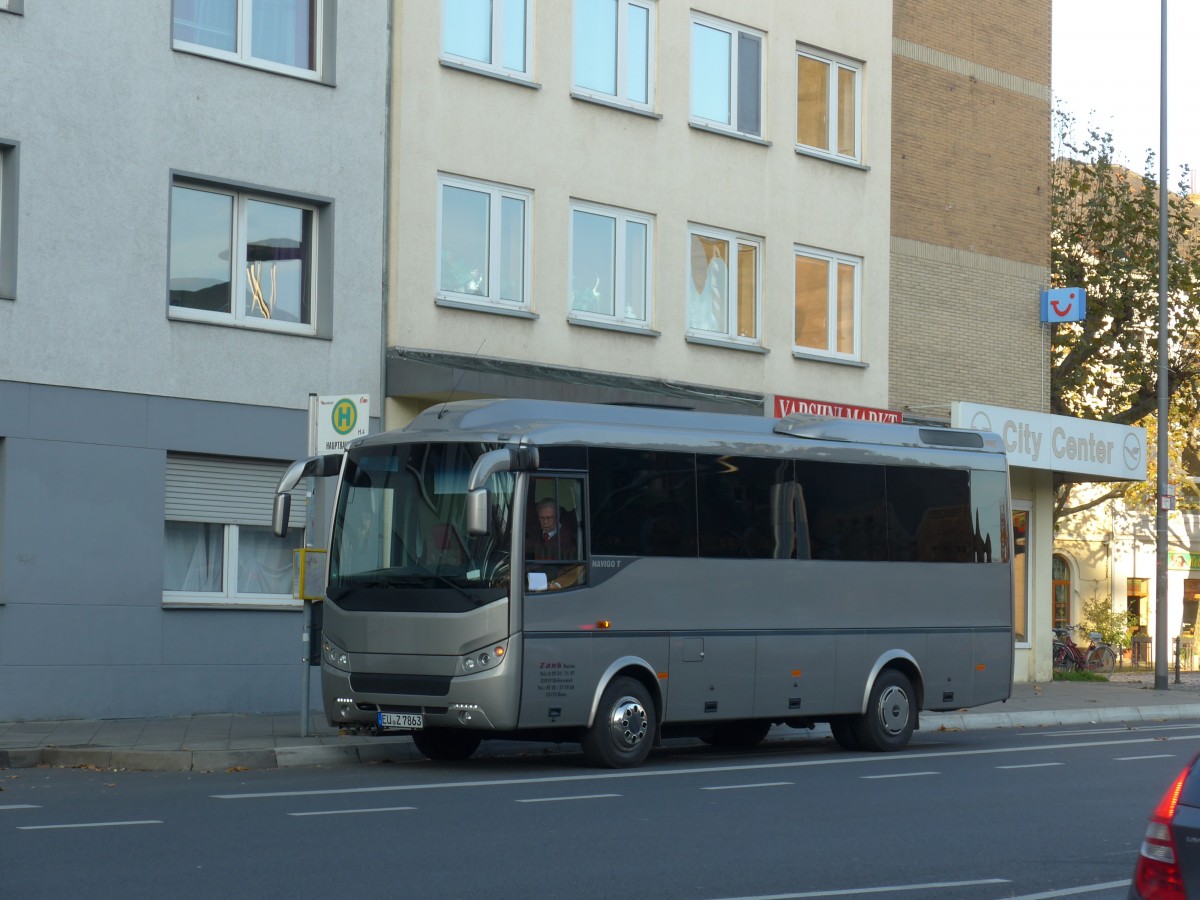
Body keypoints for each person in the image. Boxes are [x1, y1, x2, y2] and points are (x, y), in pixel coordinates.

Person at [528, 498, 582, 590]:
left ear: (557, 517)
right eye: (542, 518)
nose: (545, 522)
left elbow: (571, 569)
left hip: (555, 587)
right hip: (532, 584)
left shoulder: (567, 538)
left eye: (549, 518)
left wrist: (557, 584)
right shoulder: (534, 535)